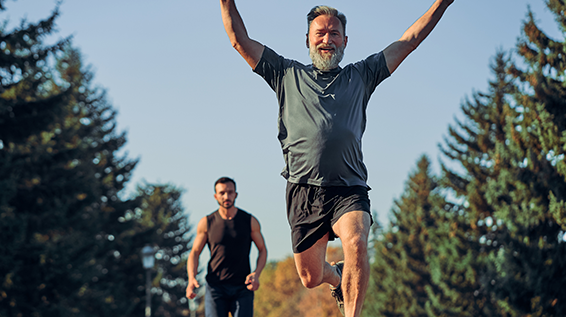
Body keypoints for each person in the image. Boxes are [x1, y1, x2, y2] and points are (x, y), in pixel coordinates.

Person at [219, 1, 454, 316]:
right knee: (310, 276)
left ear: (345, 41)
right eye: (320, 33)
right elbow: (239, 41)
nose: (327, 39)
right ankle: (337, 275)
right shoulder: (284, 73)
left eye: (334, 33)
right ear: (307, 39)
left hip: (349, 186)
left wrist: (442, 3)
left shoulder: (362, 74)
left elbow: (408, 41)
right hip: (303, 189)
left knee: (356, 241)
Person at [186, 177, 267, 317]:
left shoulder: (249, 221)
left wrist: (256, 273)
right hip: (216, 287)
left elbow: (262, 250)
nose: (226, 196)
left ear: (236, 194)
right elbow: (195, 252)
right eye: (222, 193)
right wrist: (191, 278)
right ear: (215, 196)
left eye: (230, 192)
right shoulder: (207, 223)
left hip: (243, 287)